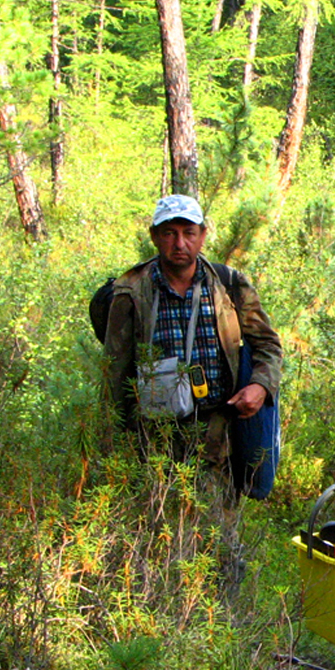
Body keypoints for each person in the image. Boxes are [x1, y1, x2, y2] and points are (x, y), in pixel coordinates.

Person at [103, 194, 283, 602]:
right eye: (169, 233)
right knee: (156, 522)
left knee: (220, 524)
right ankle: (160, 607)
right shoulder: (131, 290)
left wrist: (260, 386)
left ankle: (223, 614)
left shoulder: (229, 285)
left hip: (218, 426)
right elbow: (113, 370)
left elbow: (268, 345)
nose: (179, 243)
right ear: (155, 237)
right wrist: (113, 439)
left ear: (203, 236)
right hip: (155, 431)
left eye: (188, 232)